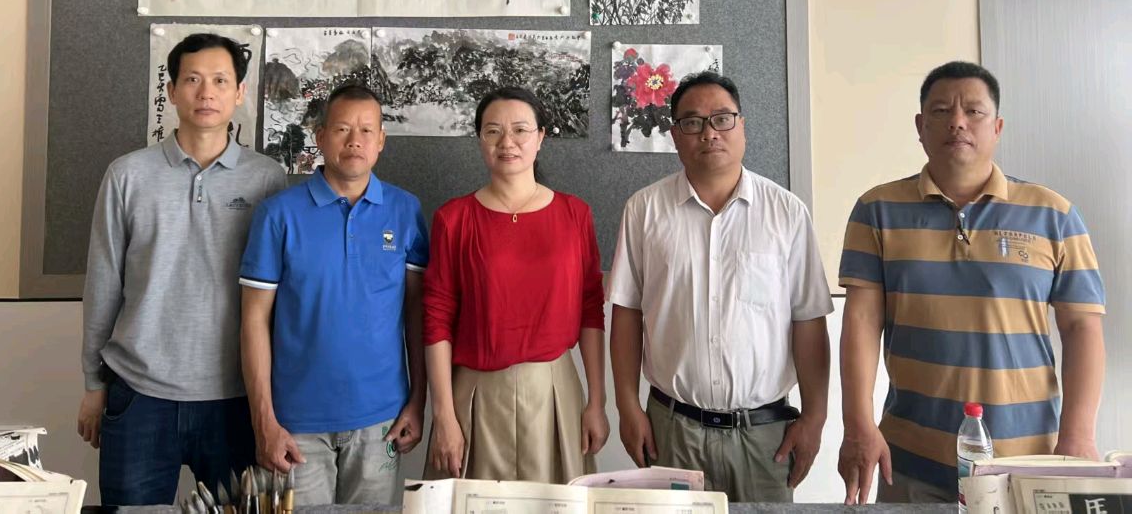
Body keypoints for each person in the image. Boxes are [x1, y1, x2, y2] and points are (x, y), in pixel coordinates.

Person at [838, 61, 1106, 504]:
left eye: (974, 111)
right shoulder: (877, 210)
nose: (957, 122)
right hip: (910, 458)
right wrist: (858, 425)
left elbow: (1082, 327)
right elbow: (862, 323)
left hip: (1028, 461)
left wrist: (1077, 437)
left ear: (997, 127)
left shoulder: (1054, 214)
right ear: (920, 127)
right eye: (941, 111)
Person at [78, 33, 287, 504]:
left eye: (220, 80)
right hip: (139, 393)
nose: (206, 92)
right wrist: (93, 383)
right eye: (192, 80)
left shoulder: (267, 178)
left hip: (236, 396)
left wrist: (273, 399)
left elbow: (278, 295)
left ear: (240, 92)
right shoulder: (127, 174)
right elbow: (103, 283)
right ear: (171, 91)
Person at [609, 71, 833, 502]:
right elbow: (627, 313)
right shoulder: (644, 210)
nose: (709, 133)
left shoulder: (786, 212)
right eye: (693, 122)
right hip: (672, 429)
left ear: (742, 126)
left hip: (765, 436)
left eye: (722, 119)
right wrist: (626, 406)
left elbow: (808, 320)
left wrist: (816, 417)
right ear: (675, 135)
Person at [239, 83, 429, 506]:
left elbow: (417, 315)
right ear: (320, 136)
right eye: (342, 129)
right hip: (296, 424)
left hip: (381, 421)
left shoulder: (405, 211)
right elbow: (253, 321)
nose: (354, 140)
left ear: (381, 140)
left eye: (366, 130)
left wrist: (418, 401)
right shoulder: (278, 214)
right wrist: (263, 420)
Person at [423, 86, 608, 482]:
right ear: (480, 139)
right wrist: (443, 416)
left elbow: (591, 310)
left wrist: (598, 400)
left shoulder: (575, 214)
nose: (507, 142)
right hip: (475, 394)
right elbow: (437, 319)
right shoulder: (453, 219)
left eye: (520, 130)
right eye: (493, 131)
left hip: (554, 390)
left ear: (540, 137)